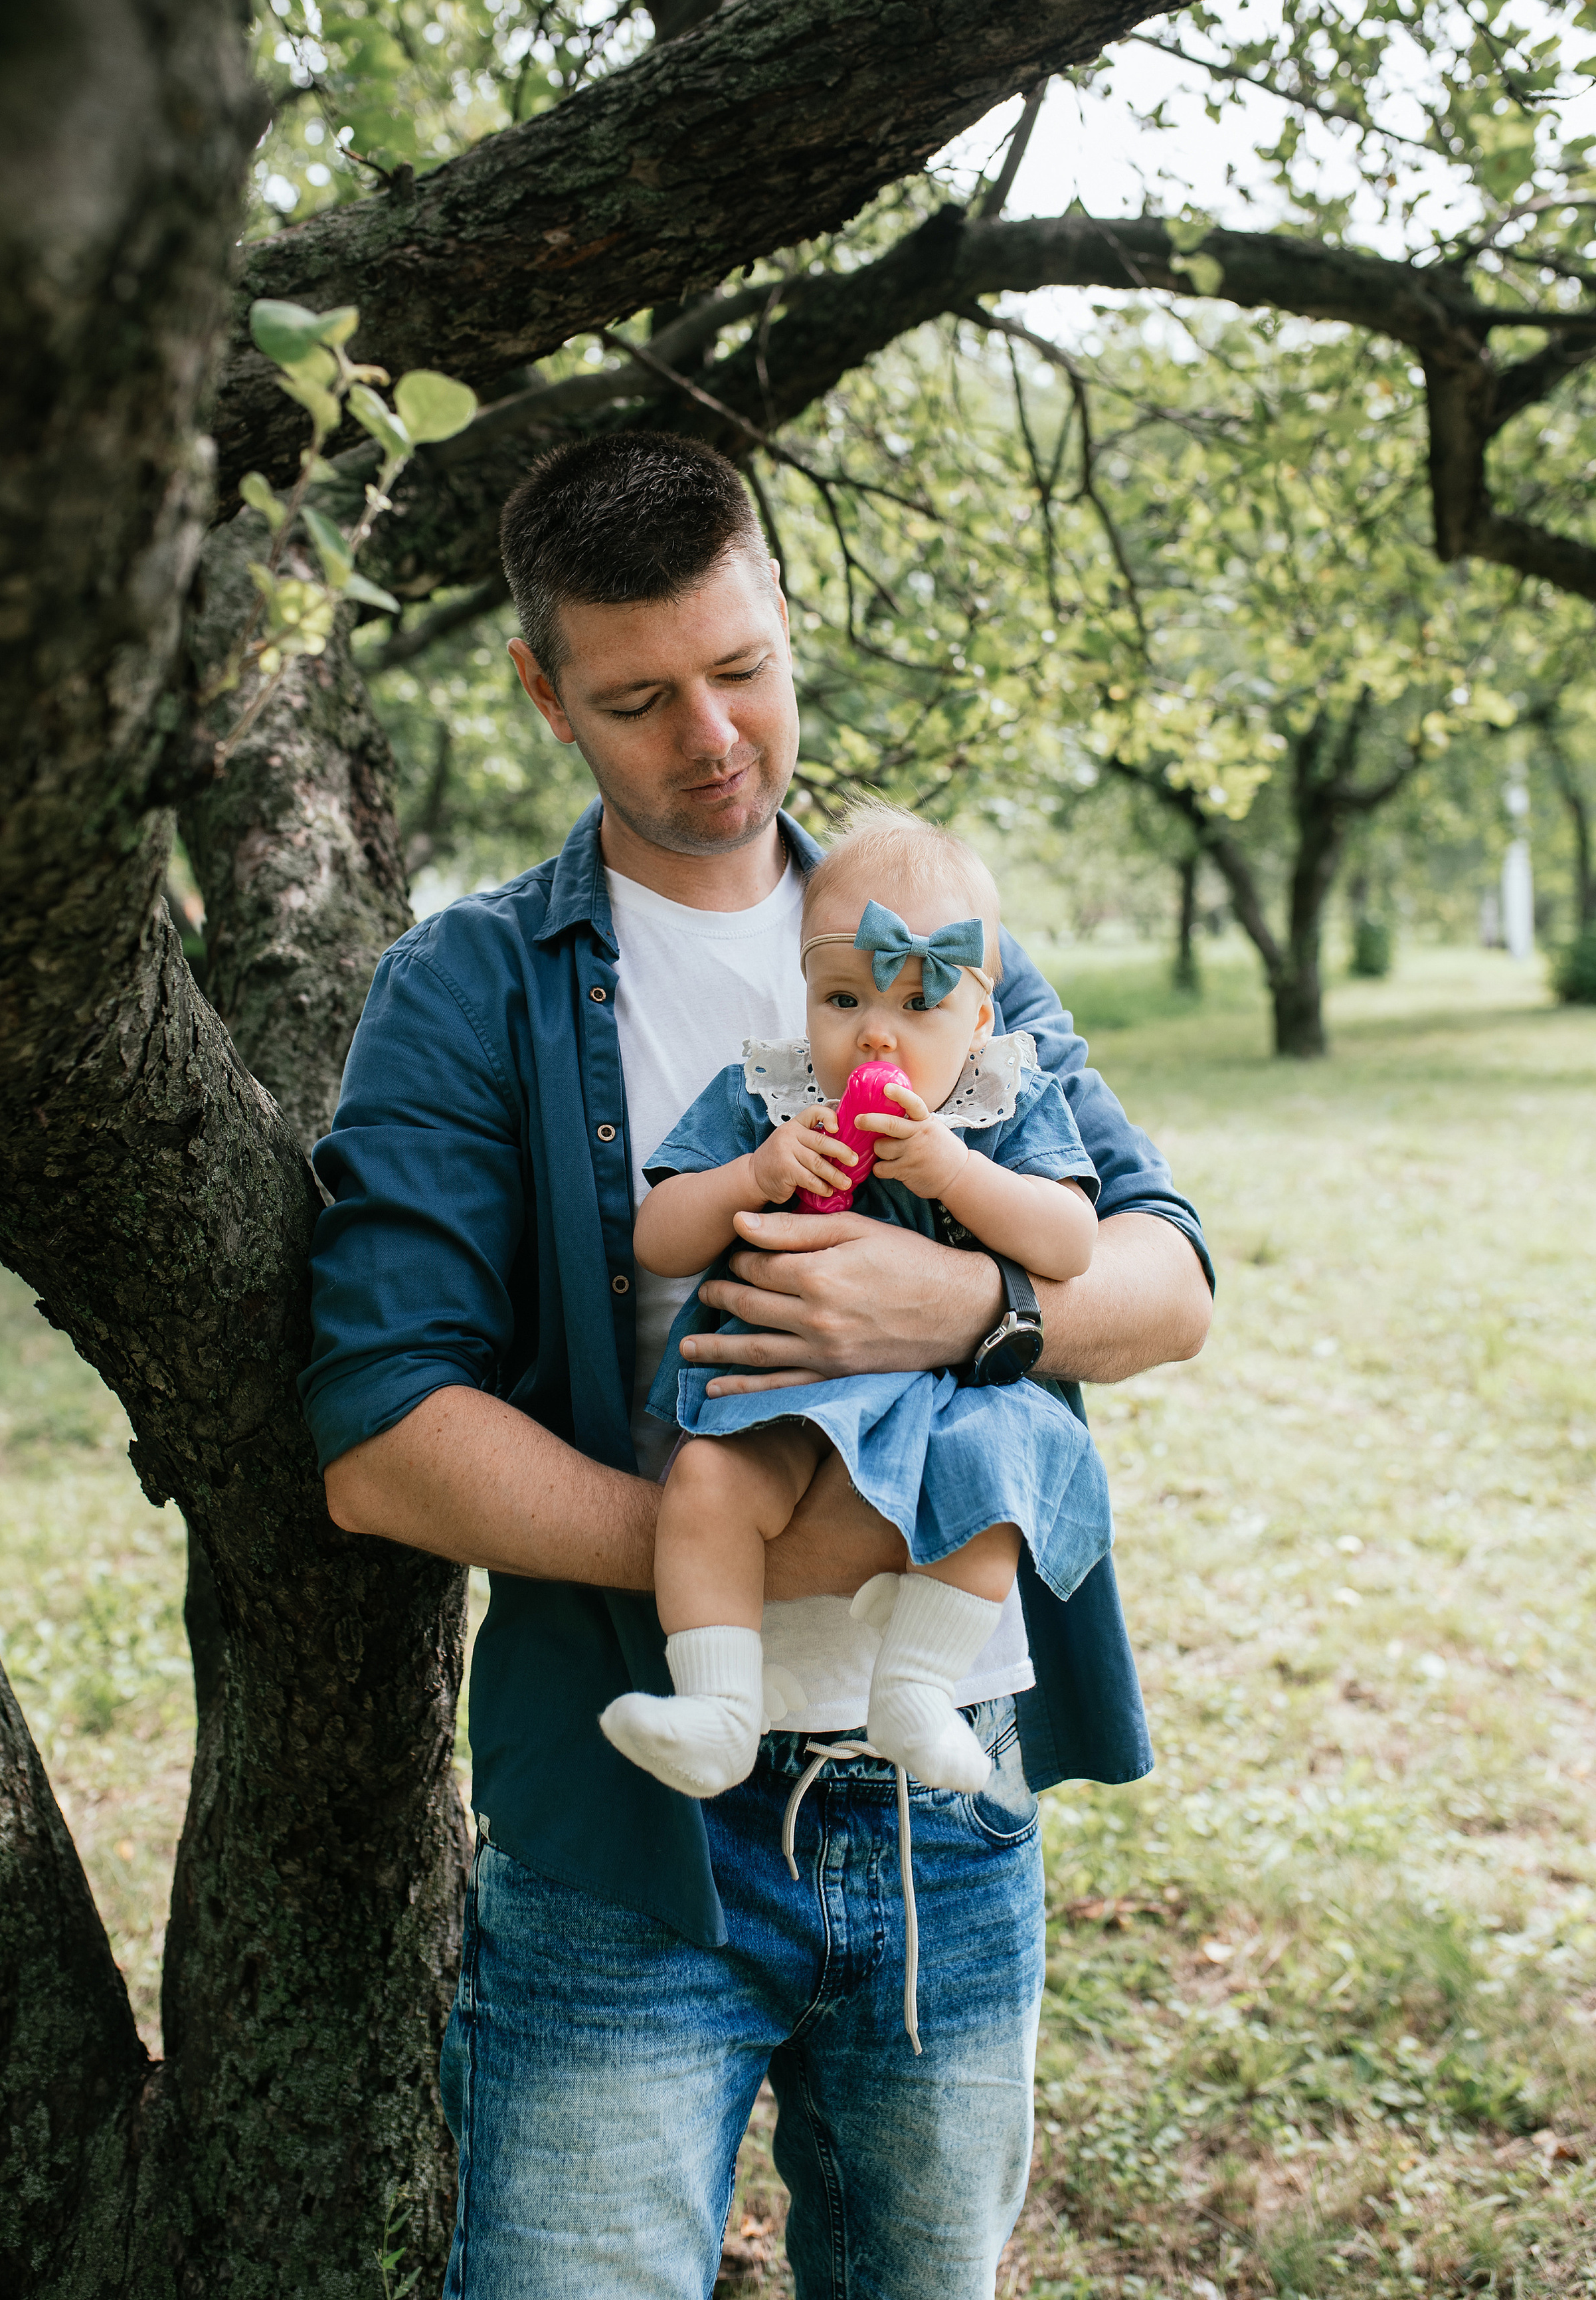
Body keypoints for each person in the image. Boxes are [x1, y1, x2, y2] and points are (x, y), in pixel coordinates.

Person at [304, 431, 1213, 2299]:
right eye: (638, 699)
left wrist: (966, 1314)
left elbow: (1164, 1275)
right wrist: (759, 1554)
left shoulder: (932, 933)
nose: (709, 737)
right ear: (542, 693)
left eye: (743, 670)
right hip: (630, 1836)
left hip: (948, 1809)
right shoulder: (472, 986)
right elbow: (382, 1433)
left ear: (789, 620)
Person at [603, 803, 1115, 1806]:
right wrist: (754, 1171)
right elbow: (659, 1235)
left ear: (979, 1021)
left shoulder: (1001, 1104)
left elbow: (1070, 1243)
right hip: (785, 1384)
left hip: (950, 1403)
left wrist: (955, 1174)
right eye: (842, 997)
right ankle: (717, 1709)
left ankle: (918, 1689)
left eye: (916, 1005)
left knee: (1003, 1478)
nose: (873, 1030)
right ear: (803, 996)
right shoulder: (771, 1098)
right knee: (706, 1484)